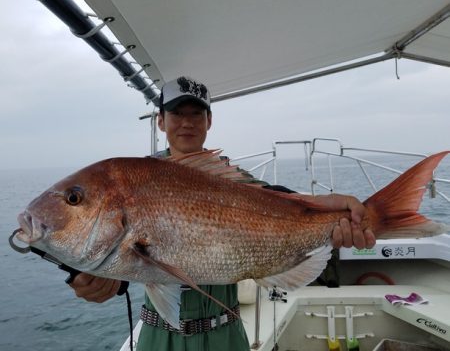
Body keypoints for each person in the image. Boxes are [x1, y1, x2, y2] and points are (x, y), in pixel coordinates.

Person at [69, 76, 375, 350]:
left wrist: (330, 208)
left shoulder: (231, 180)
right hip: (158, 337)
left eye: (196, 114)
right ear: (161, 121)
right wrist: (96, 280)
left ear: (209, 121)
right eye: (177, 113)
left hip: (225, 335)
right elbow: (132, 257)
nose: (187, 122)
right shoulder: (138, 181)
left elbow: (274, 198)